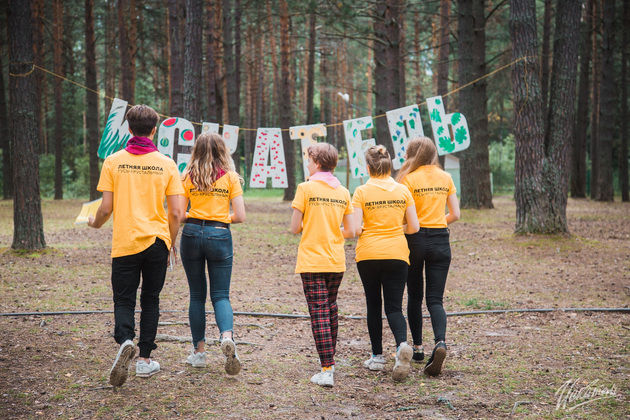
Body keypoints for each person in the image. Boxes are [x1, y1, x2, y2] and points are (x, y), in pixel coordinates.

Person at [88, 104, 184, 387]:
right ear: (154, 131)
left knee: (124, 299)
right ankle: (144, 360)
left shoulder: (113, 161)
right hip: (157, 241)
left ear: (128, 129)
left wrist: (94, 223)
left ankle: (126, 340)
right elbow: (176, 212)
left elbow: (106, 208)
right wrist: (171, 242)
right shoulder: (167, 164)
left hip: (126, 241)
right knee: (151, 299)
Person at [178, 132, 246, 375]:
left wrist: (196, 216)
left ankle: (199, 353)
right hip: (219, 235)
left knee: (197, 295)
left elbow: (179, 213)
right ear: (222, 150)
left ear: (196, 150)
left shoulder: (187, 175)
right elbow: (240, 216)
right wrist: (219, 217)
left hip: (191, 234)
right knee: (220, 295)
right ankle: (227, 337)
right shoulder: (230, 177)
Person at [352, 145, 419, 382]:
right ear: (390, 166)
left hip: (368, 254)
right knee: (394, 307)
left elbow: (356, 228)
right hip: (397, 253)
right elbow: (414, 227)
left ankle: (377, 357)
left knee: (373, 304)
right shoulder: (403, 190)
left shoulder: (361, 191)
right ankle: (401, 345)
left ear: (368, 167)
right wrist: (394, 229)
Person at [290, 142, 354, 388]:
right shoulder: (343, 192)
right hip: (335, 259)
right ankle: (330, 363)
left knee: (318, 311)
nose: (307, 164)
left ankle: (327, 369)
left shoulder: (305, 188)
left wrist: (313, 224)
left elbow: (295, 228)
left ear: (317, 163)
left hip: (312, 259)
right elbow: (350, 230)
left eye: (309, 160)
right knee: (330, 309)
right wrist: (330, 229)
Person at [396, 136, 460, 376]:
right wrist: (436, 223)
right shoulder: (446, 177)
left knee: (414, 295)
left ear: (413, 154)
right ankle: (440, 342)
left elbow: (404, 216)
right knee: (435, 300)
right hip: (441, 239)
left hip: (415, 240)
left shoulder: (408, 179)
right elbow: (455, 214)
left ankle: (418, 348)